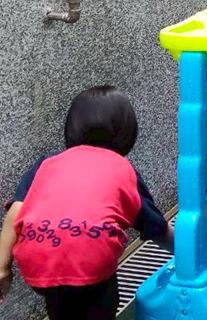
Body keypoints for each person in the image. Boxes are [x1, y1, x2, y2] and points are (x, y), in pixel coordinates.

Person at [0, 87, 172, 320]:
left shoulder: (48, 162)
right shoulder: (123, 169)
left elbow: (17, 210)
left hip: (39, 260)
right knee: (99, 300)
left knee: (60, 300)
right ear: (127, 132)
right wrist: (184, 254)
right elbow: (156, 227)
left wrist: (2, 268)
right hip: (92, 260)